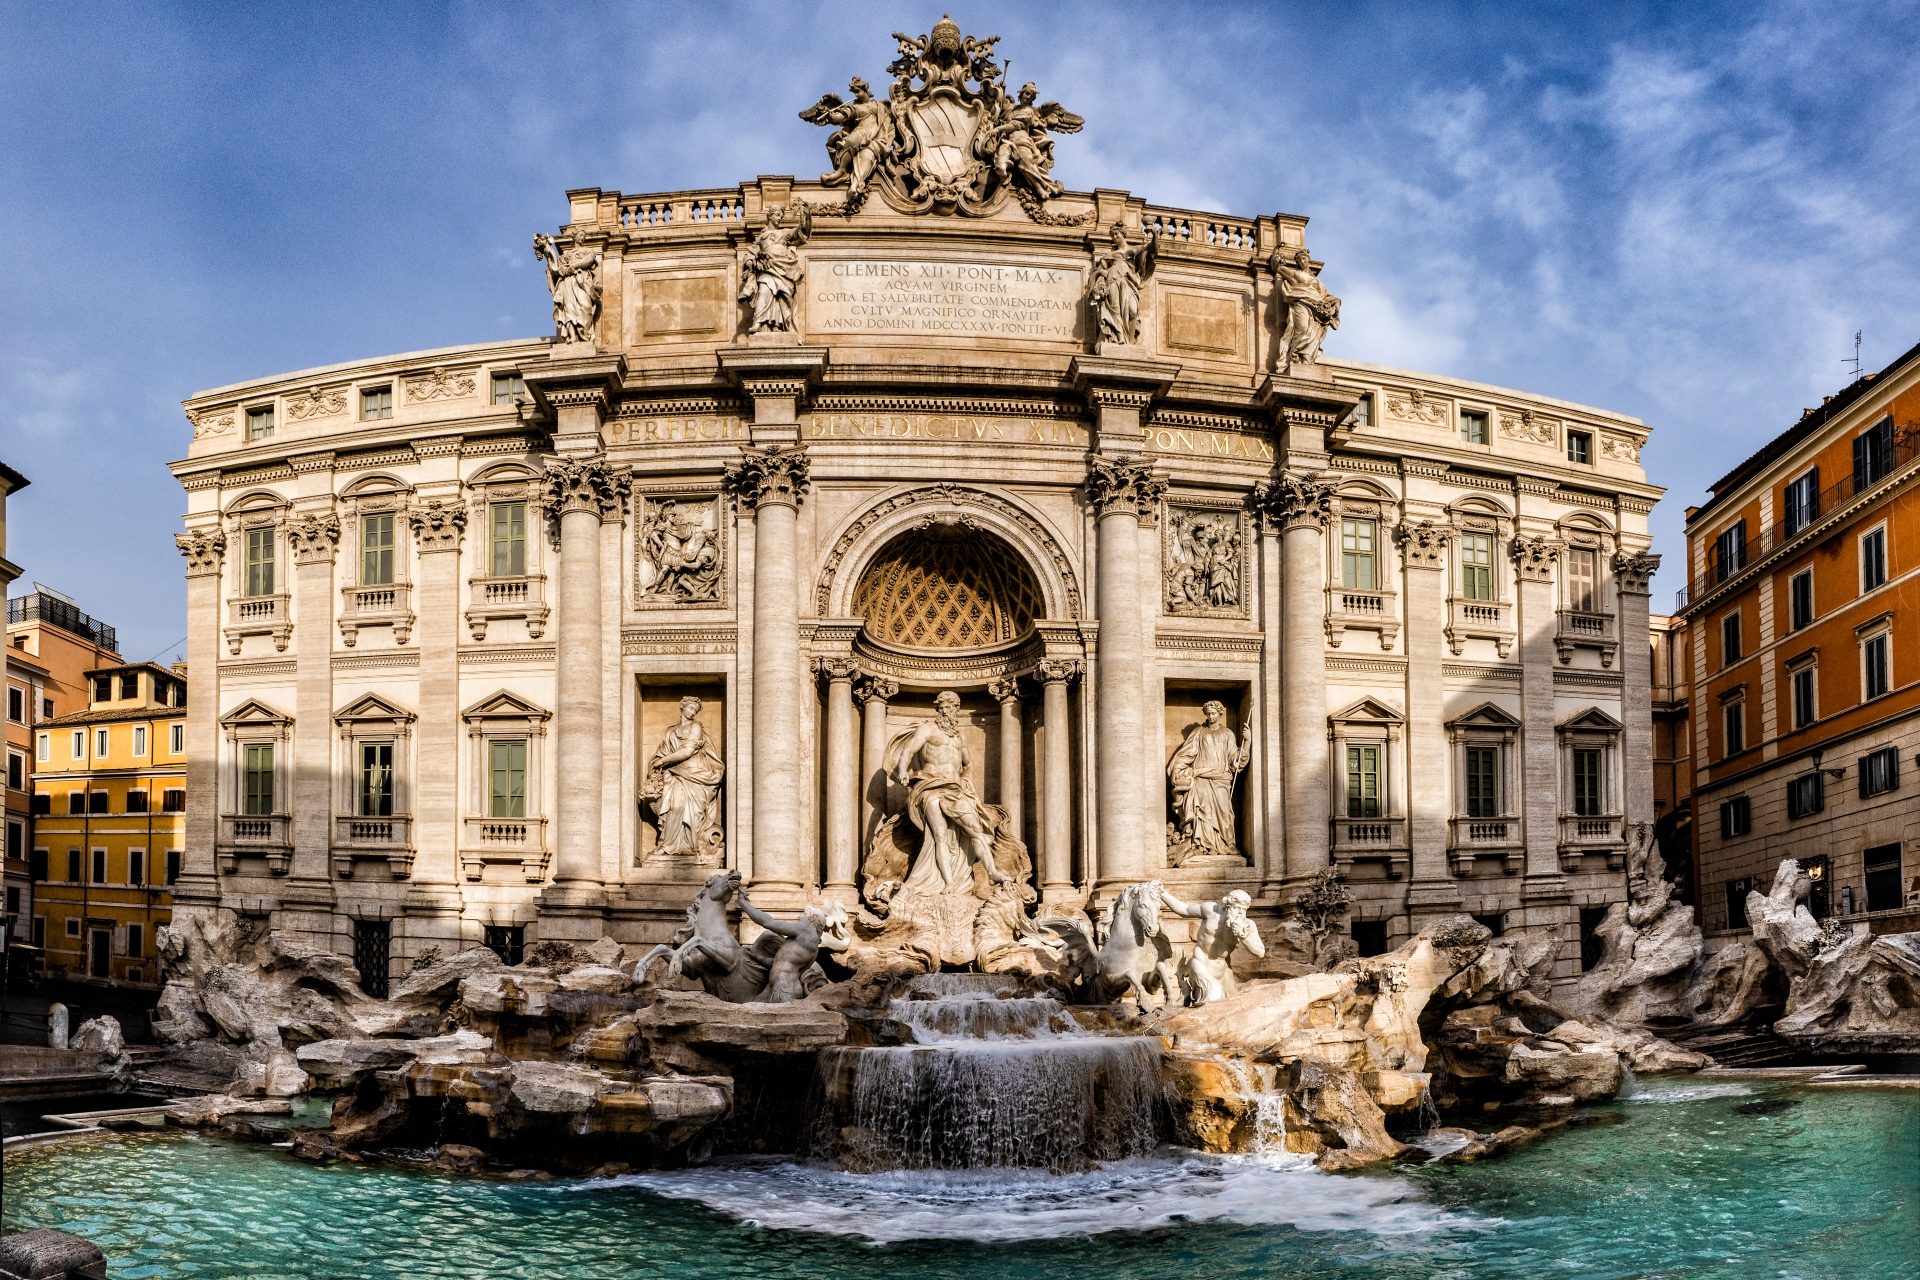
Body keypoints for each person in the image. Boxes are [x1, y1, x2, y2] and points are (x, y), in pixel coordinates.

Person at [885, 690, 1011, 895]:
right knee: (939, 836)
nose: (946, 712)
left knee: (975, 830)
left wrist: (966, 781)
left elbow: (968, 765)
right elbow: (908, 750)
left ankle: (992, 871)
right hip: (931, 787)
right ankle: (948, 882)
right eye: (942, 708)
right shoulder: (927, 729)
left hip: (955, 790)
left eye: (950, 708)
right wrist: (902, 771)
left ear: (956, 710)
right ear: (937, 709)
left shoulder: (959, 737)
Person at [1167, 701, 1251, 859]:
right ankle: (1202, 845)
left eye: (1213, 713)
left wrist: (1247, 742)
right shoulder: (1199, 732)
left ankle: (1226, 844)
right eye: (1208, 714)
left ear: (1220, 714)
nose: (1211, 717)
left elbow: (1236, 759)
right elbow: (1187, 754)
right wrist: (1178, 770)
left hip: (1221, 779)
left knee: (1225, 813)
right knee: (1202, 813)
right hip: (1201, 778)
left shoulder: (1228, 734)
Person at [643, 697, 724, 858]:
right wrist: (659, 762)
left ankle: (690, 846)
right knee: (674, 807)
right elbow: (662, 752)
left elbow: (687, 752)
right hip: (674, 774)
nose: (693, 712)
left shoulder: (696, 728)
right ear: (682, 707)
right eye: (690, 708)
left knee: (693, 812)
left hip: (696, 774)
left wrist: (663, 761)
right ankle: (668, 845)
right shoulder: (670, 731)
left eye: (695, 710)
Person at [1162, 888, 1264, 1005]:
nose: (1241, 913)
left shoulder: (1247, 925)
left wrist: (1244, 937)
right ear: (1227, 906)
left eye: (1244, 909)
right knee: (1213, 998)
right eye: (1237, 908)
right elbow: (1184, 909)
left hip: (1223, 970)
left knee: (1232, 1005)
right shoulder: (1210, 911)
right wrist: (1163, 894)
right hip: (1200, 964)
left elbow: (1260, 952)